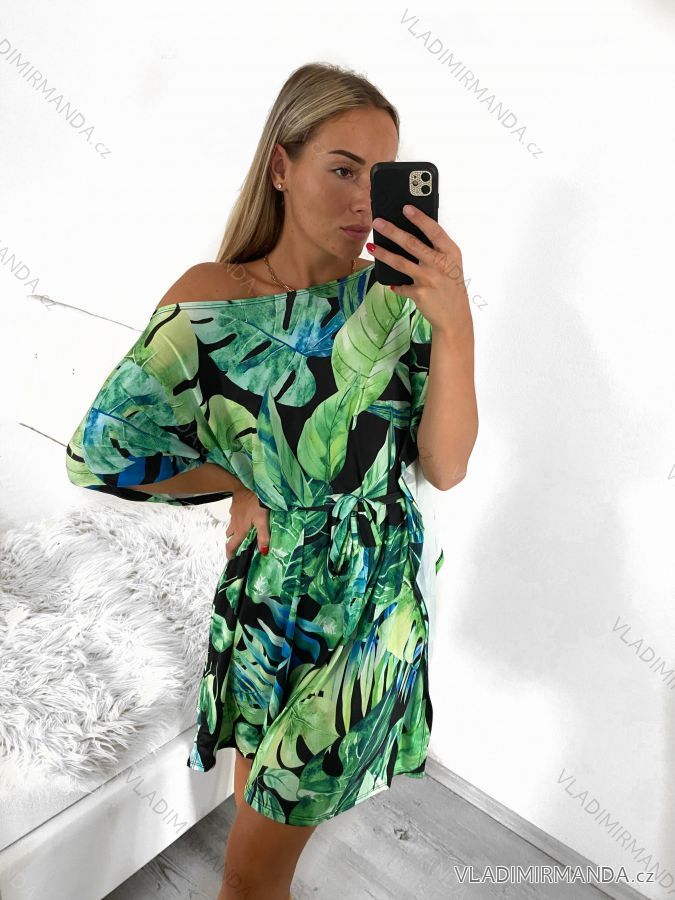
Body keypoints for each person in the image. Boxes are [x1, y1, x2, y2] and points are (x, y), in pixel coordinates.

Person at [65, 61, 478, 900]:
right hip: (269, 603)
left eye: (381, 176)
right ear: (280, 166)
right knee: (257, 820)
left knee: (251, 872)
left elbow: (445, 465)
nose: (364, 200)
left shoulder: (398, 300)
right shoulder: (210, 299)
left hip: (367, 611)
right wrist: (240, 479)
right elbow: (101, 452)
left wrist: (455, 323)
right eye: (343, 169)